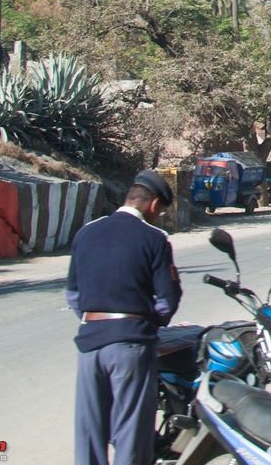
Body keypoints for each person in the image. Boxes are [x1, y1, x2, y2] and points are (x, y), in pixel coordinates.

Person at [67, 169, 183, 465]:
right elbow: (168, 300)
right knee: (131, 434)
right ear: (154, 205)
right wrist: (142, 322)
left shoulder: (86, 232)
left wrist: (98, 318)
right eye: (160, 212)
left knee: (89, 433)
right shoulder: (155, 239)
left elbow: (74, 296)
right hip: (131, 346)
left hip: (90, 343)